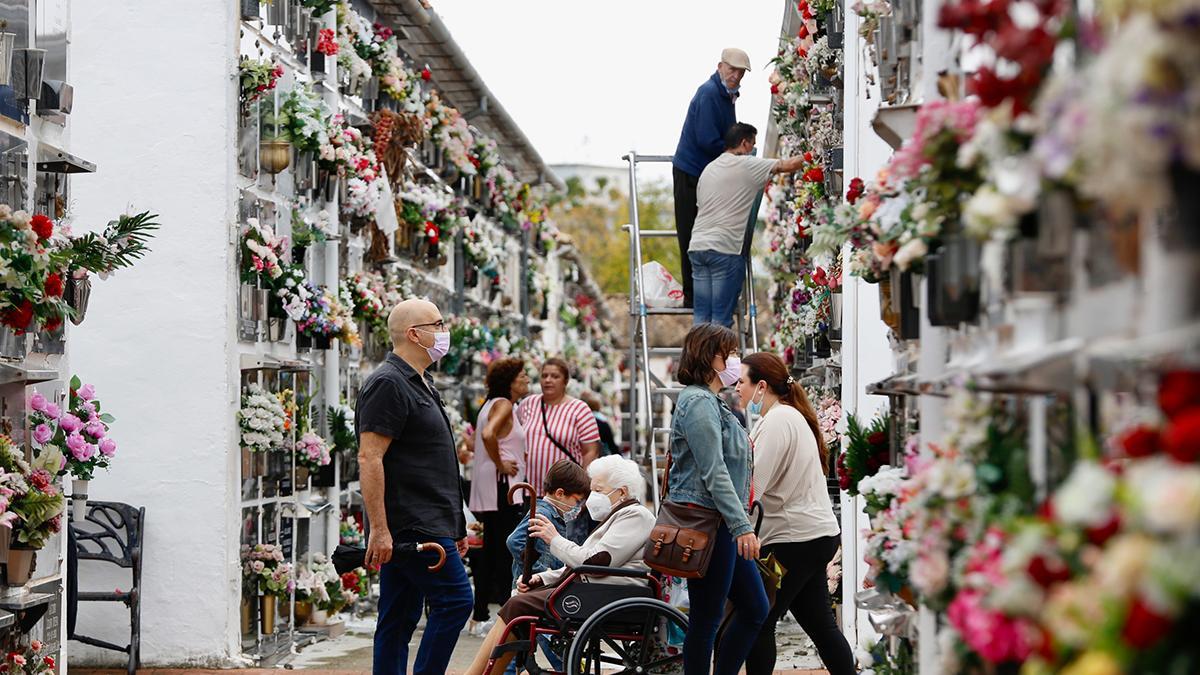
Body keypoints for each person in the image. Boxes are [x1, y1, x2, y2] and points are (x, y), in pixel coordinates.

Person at [356, 299, 472, 675]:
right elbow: (369, 457)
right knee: (455, 600)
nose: (444, 332)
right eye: (437, 324)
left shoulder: (419, 380)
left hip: (429, 521)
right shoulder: (388, 383)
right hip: (413, 524)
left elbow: (431, 461)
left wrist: (456, 525)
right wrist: (380, 529)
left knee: (399, 616)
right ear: (413, 334)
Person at [465, 456, 656, 675]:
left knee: (517, 605)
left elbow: (597, 561)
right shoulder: (621, 515)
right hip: (598, 589)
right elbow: (588, 563)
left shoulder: (635, 515)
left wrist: (554, 540)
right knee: (517, 604)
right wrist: (542, 578)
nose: (592, 497)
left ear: (622, 491)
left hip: (608, 594)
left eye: (598, 490)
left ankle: (477, 673)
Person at [735, 353, 855, 675]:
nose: (738, 389)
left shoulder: (776, 422)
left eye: (742, 382)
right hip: (814, 538)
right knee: (821, 627)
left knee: (759, 619)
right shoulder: (789, 416)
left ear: (761, 386)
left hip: (792, 542)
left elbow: (752, 488)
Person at [669, 323, 767, 675]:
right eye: (731, 353)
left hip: (722, 522)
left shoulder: (711, 402)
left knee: (755, 607)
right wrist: (742, 526)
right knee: (707, 619)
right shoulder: (697, 402)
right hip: (710, 522)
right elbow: (713, 470)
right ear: (713, 358)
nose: (736, 361)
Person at [689, 122, 805, 327]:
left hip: (698, 246)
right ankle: (717, 360)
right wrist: (820, 152)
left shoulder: (709, 169)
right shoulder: (747, 164)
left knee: (701, 318)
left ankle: (697, 359)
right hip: (725, 249)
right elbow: (789, 165)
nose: (753, 149)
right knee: (720, 321)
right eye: (752, 144)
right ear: (744, 143)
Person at [673, 47, 751, 309]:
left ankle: (708, 294)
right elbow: (707, 139)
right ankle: (693, 297)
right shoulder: (708, 94)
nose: (736, 75)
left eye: (740, 72)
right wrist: (735, 153)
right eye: (732, 69)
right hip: (691, 172)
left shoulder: (727, 95)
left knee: (707, 234)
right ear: (720, 66)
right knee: (690, 233)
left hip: (708, 175)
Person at [503, 459, 591, 674]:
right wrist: (538, 569)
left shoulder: (552, 512)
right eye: (576, 501)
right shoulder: (544, 512)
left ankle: (509, 668)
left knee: (521, 639)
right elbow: (515, 541)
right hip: (534, 588)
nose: (577, 508)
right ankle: (569, 668)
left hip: (537, 586)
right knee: (547, 636)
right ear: (560, 494)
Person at [467, 358, 531, 635]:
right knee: (505, 551)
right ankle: (502, 613)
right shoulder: (504, 405)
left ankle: (480, 613)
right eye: (522, 376)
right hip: (502, 485)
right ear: (510, 381)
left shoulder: (490, 405)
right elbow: (488, 434)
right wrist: (501, 463)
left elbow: (478, 439)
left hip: (491, 485)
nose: (527, 380)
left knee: (491, 550)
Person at [518, 358, 601, 496]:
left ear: (565, 381)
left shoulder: (579, 409)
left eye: (555, 376)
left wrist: (584, 489)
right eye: (544, 375)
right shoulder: (527, 404)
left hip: (565, 493)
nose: (548, 380)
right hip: (529, 490)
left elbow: (590, 451)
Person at [580, 390, 619, 456]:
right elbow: (610, 442)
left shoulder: (583, 420)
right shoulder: (603, 421)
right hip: (600, 454)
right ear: (598, 407)